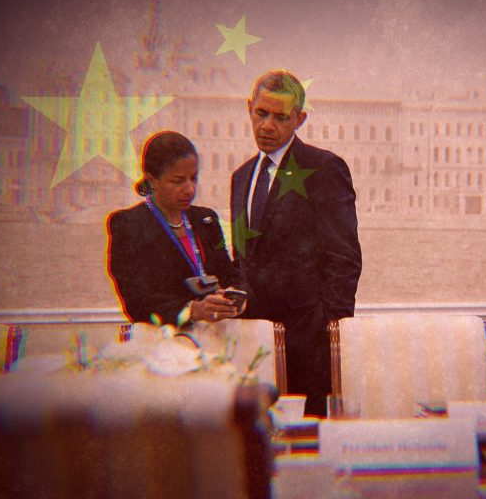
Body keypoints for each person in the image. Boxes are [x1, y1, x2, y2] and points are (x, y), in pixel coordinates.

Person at [230, 70, 362, 417]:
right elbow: (242, 259)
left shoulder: (324, 168)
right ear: (249, 108)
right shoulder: (241, 177)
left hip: (310, 351)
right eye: (261, 113)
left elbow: (344, 260)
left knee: (309, 440)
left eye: (281, 117)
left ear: (299, 119)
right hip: (253, 349)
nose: (267, 126)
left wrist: (327, 336)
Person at [108, 130, 247, 330]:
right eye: (178, 181)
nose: (190, 189)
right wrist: (193, 310)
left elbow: (230, 276)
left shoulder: (206, 219)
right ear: (152, 180)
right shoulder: (128, 224)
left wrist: (235, 297)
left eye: (194, 178)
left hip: (212, 337)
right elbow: (137, 303)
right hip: (162, 341)